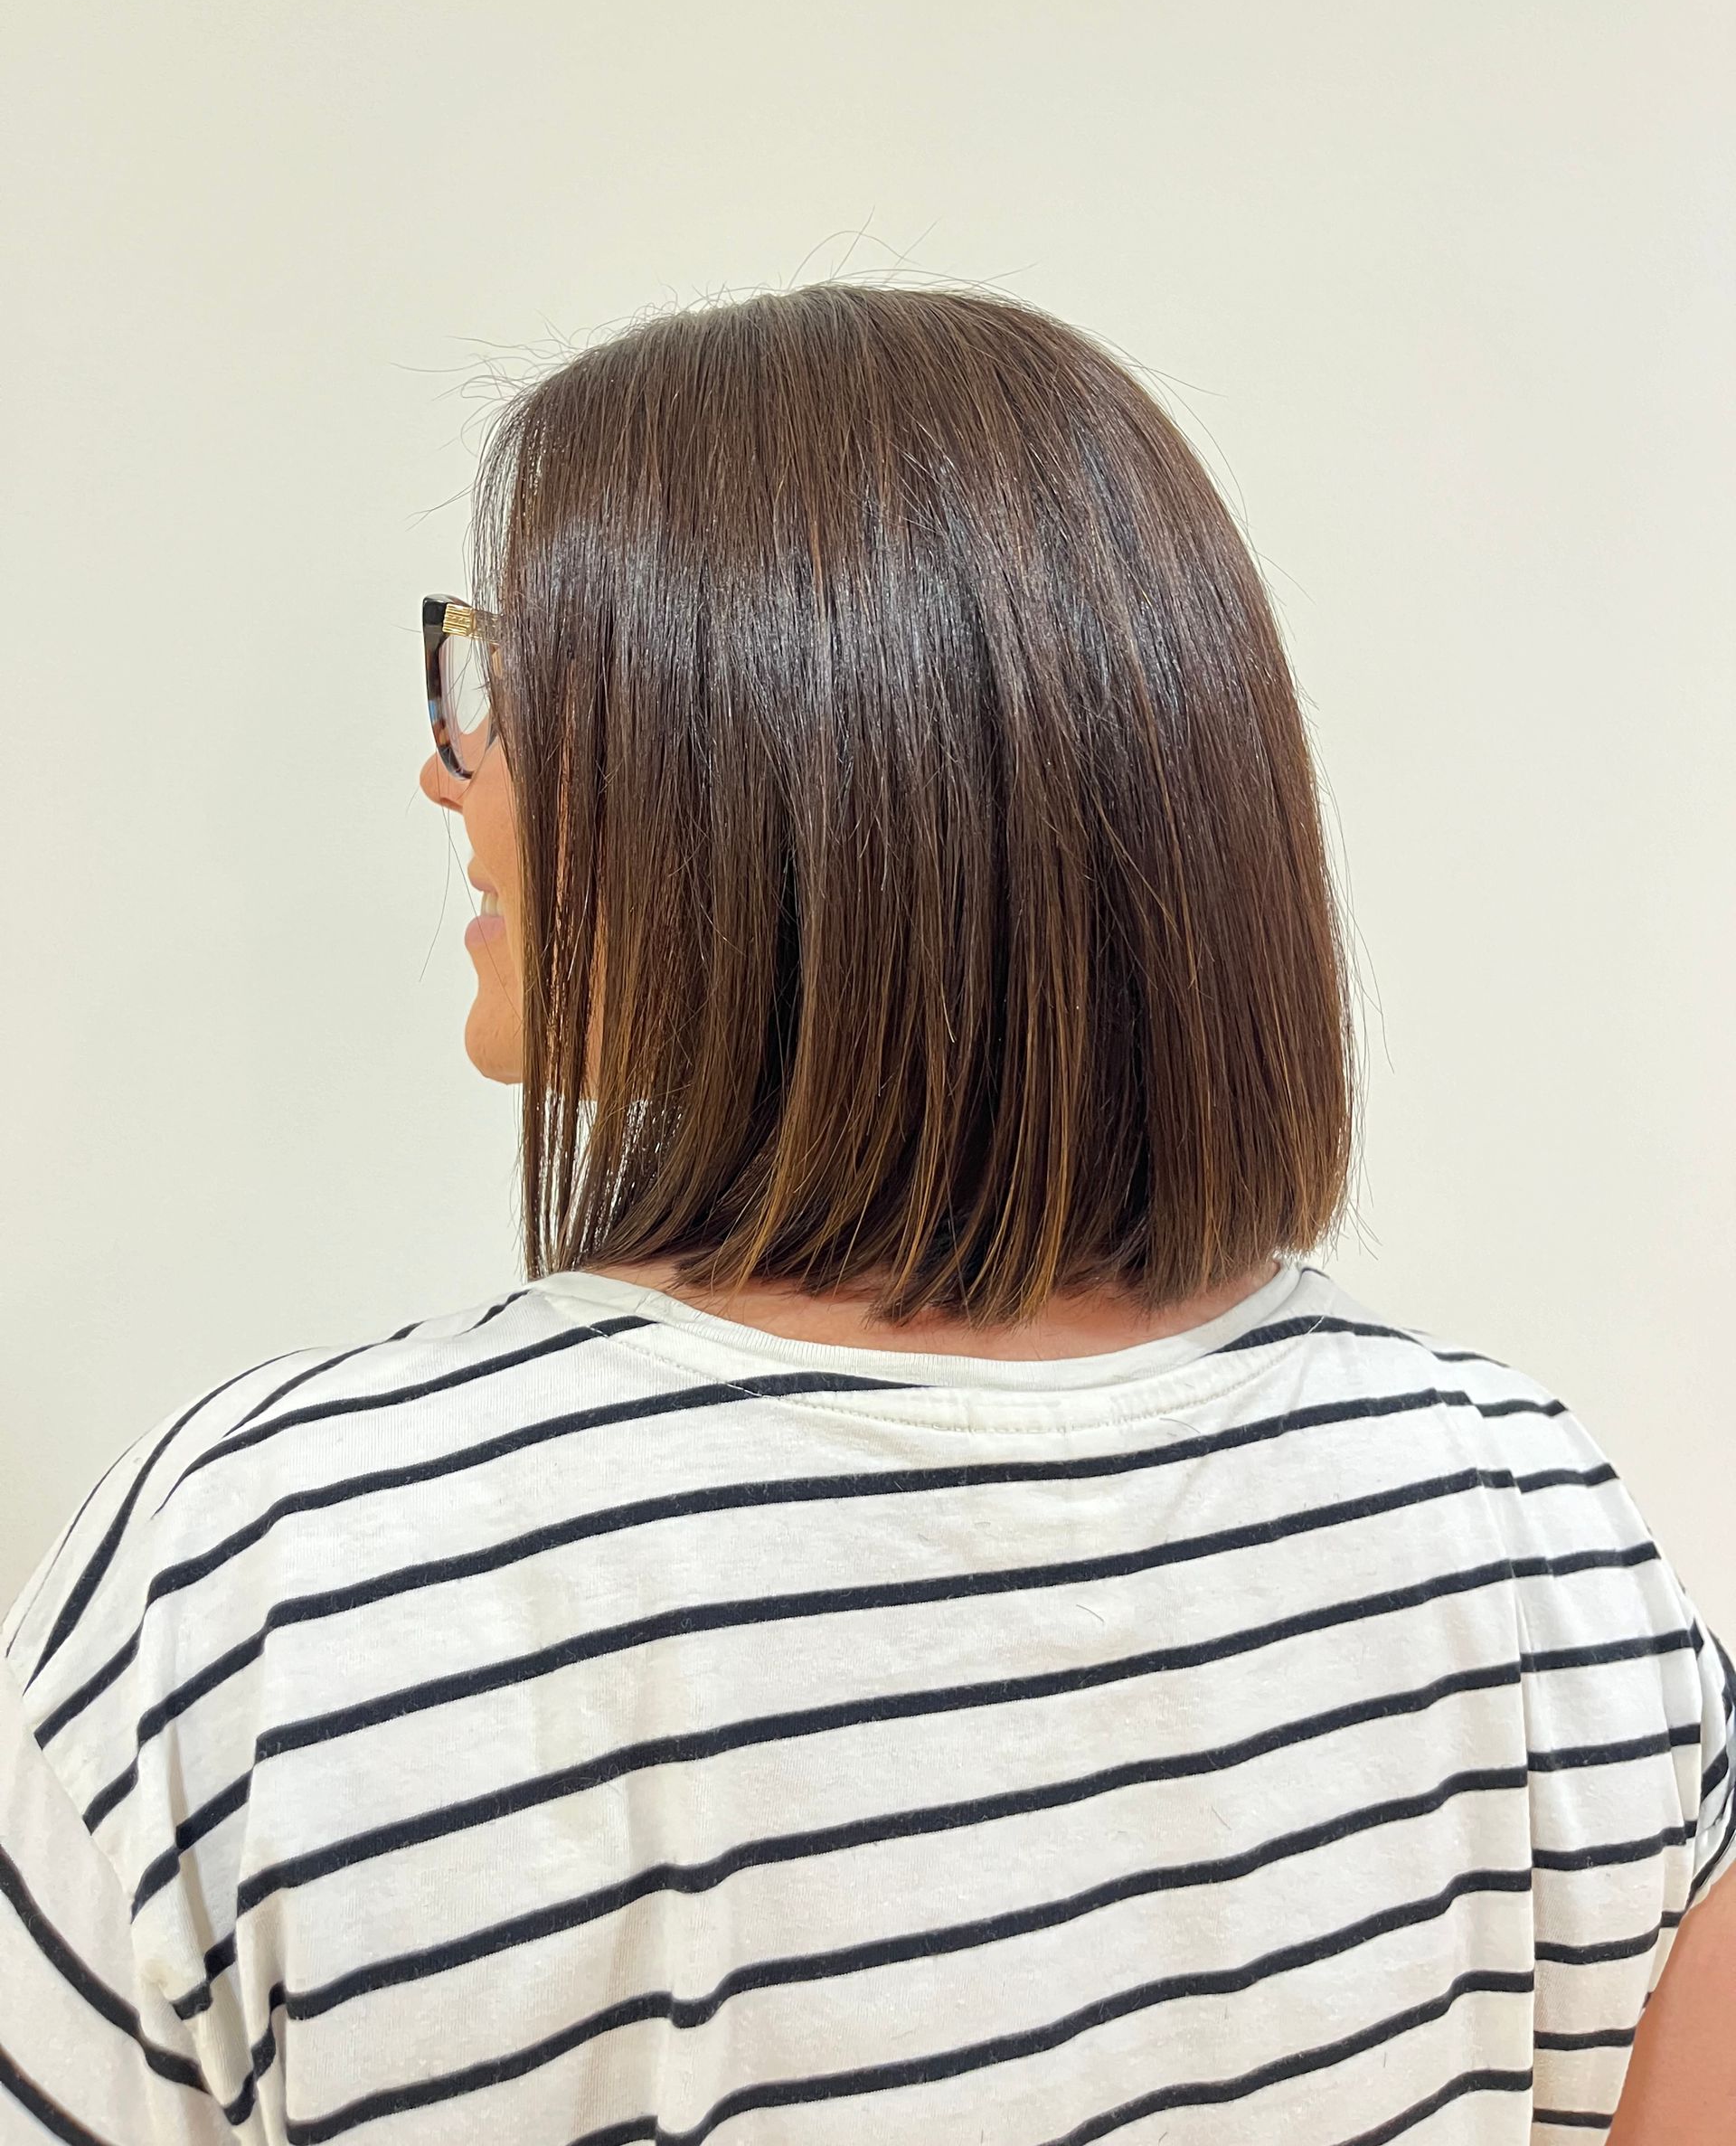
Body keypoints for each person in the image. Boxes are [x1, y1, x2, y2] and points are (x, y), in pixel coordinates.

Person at [1, 281, 1730, 2146]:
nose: (451, 757)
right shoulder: (1528, 1520)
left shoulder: (266, 1591)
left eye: (512, 675)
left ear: (777, 753)